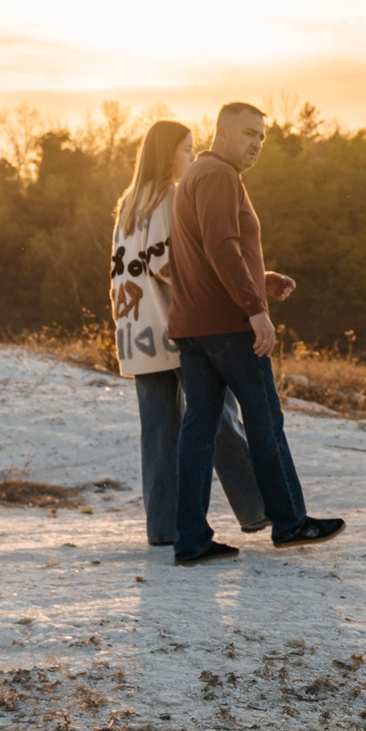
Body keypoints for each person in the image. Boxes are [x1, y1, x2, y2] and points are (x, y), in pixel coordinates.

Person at [166, 101, 343, 563]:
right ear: (221, 132)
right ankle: (290, 523)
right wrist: (255, 309)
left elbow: (206, 255)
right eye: (248, 134)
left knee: (199, 430)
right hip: (229, 325)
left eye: (262, 137)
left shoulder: (195, 177)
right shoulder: (221, 176)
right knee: (265, 419)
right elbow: (223, 247)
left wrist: (260, 280)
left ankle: (190, 539)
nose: (256, 144)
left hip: (194, 326)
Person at [108, 121, 271, 548]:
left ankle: (163, 528)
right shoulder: (172, 198)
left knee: (159, 433)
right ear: (167, 156)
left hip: (137, 335)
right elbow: (173, 265)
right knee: (218, 418)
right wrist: (240, 294)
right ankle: (261, 507)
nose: (194, 158)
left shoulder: (127, 206)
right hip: (177, 327)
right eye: (187, 149)